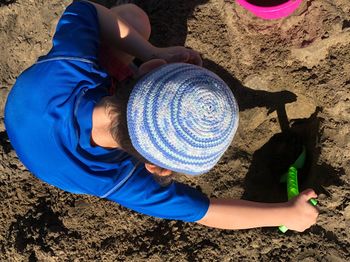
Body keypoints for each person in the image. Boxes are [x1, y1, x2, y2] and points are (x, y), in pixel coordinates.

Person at [4, 1, 318, 231]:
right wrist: (285, 215)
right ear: (153, 166)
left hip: (37, 98)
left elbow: (84, 8)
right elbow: (208, 212)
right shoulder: (117, 179)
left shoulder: (72, 66)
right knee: (133, 19)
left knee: (132, 19)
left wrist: (154, 52)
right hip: (43, 156)